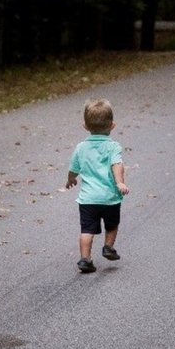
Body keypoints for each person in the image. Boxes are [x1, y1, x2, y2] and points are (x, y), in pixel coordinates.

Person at [65, 99, 130, 273]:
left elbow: (73, 168)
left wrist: (71, 179)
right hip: (110, 198)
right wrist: (120, 182)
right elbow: (117, 164)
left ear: (85, 126)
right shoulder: (113, 146)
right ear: (113, 125)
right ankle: (108, 247)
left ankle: (85, 259)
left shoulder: (81, 147)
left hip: (88, 199)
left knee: (87, 229)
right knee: (112, 224)